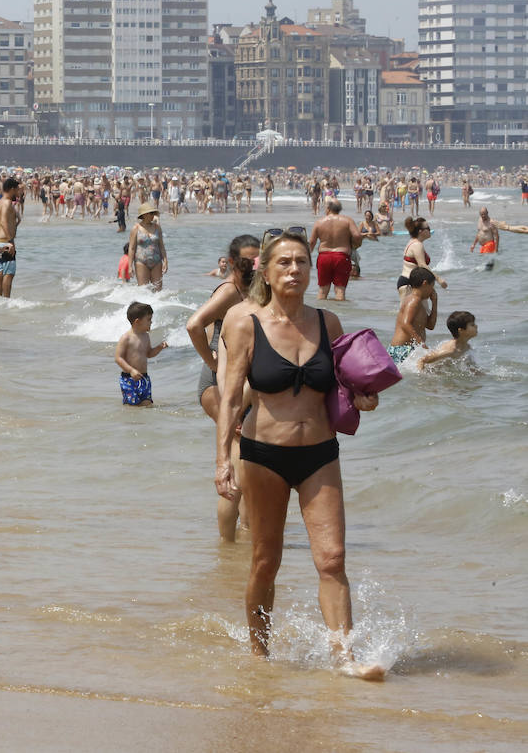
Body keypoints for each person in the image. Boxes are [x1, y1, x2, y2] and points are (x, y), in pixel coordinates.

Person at [213, 229, 383, 678]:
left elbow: (347, 388)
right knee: (265, 562)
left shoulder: (328, 323)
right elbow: (230, 398)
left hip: (320, 454)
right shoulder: (242, 321)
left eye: (302, 262)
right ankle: (259, 657)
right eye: (284, 263)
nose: (294, 270)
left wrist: (365, 399)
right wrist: (222, 461)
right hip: (263, 454)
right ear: (265, 272)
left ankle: (345, 658)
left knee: (333, 559)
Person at [186, 234, 260, 541]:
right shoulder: (230, 290)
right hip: (219, 386)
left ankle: (242, 537)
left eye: (258, 260)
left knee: (247, 462)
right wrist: (213, 361)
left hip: (238, 387)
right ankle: (230, 546)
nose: (252, 265)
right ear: (231, 262)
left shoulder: (249, 290)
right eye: (246, 261)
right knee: (237, 461)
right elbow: (194, 324)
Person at [115, 302, 166, 407]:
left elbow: (149, 354)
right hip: (129, 379)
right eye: (148, 320)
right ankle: (133, 423)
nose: (151, 322)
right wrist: (131, 370)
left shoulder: (146, 336)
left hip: (144, 378)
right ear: (137, 321)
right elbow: (118, 358)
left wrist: (159, 347)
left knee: (147, 404)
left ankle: (145, 423)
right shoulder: (126, 338)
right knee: (132, 406)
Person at [309, 199, 361, 301]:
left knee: (322, 290)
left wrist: (307, 257)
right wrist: (355, 245)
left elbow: (312, 242)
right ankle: (340, 314)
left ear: (328, 209)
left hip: (324, 257)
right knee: (340, 290)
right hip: (341, 256)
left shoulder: (319, 222)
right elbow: (357, 235)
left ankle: (320, 314)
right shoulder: (347, 221)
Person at [389, 267, 438, 364]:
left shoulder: (420, 303)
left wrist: (435, 302)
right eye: (432, 286)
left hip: (411, 348)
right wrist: (421, 344)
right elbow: (405, 323)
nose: (432, 290)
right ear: (425, 283)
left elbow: (431, 326)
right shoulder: (413, 300)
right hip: (402, 349)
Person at [0, 177, 21, 297]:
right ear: (12, 189)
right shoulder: (7, 203)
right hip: (5, 242)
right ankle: (7, 300)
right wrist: (11, 241)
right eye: (17, 190)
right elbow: (3, 222)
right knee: (9, 274)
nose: (18, 192)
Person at [398, 216, 447, 292]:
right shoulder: (417, 245)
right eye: (428, 228)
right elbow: (422, 265)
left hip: (410, 282)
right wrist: (439, 279)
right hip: (408, 283)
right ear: (420, 231)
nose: (430, 231)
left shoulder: (414, 242)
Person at [126, 203, 168, 291]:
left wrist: (165, 261)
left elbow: (161, 245)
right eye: (151, 213)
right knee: (143, 290)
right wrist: (130, 266)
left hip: (156, 261)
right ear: (144, 215)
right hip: (141, 262)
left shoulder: (157, 227)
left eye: (153, 213)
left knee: (158, 291)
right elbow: (132, 248)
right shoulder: (136, 228)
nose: (153, 215)